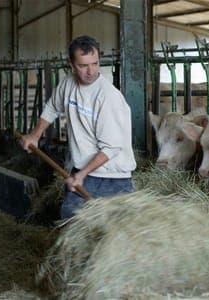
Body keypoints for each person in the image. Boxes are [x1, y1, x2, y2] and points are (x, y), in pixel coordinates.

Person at [20, 35, 136, 219]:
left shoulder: (108, 97)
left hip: (112, 179)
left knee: (113, 237)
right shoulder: (67, 84)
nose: (91, 71)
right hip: (83, 171)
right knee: (71, 224)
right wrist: (35, 135)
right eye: (83, 65)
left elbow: (111, 148)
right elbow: (52, 108)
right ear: (72, 64)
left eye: (95, 63)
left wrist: (81, 175)